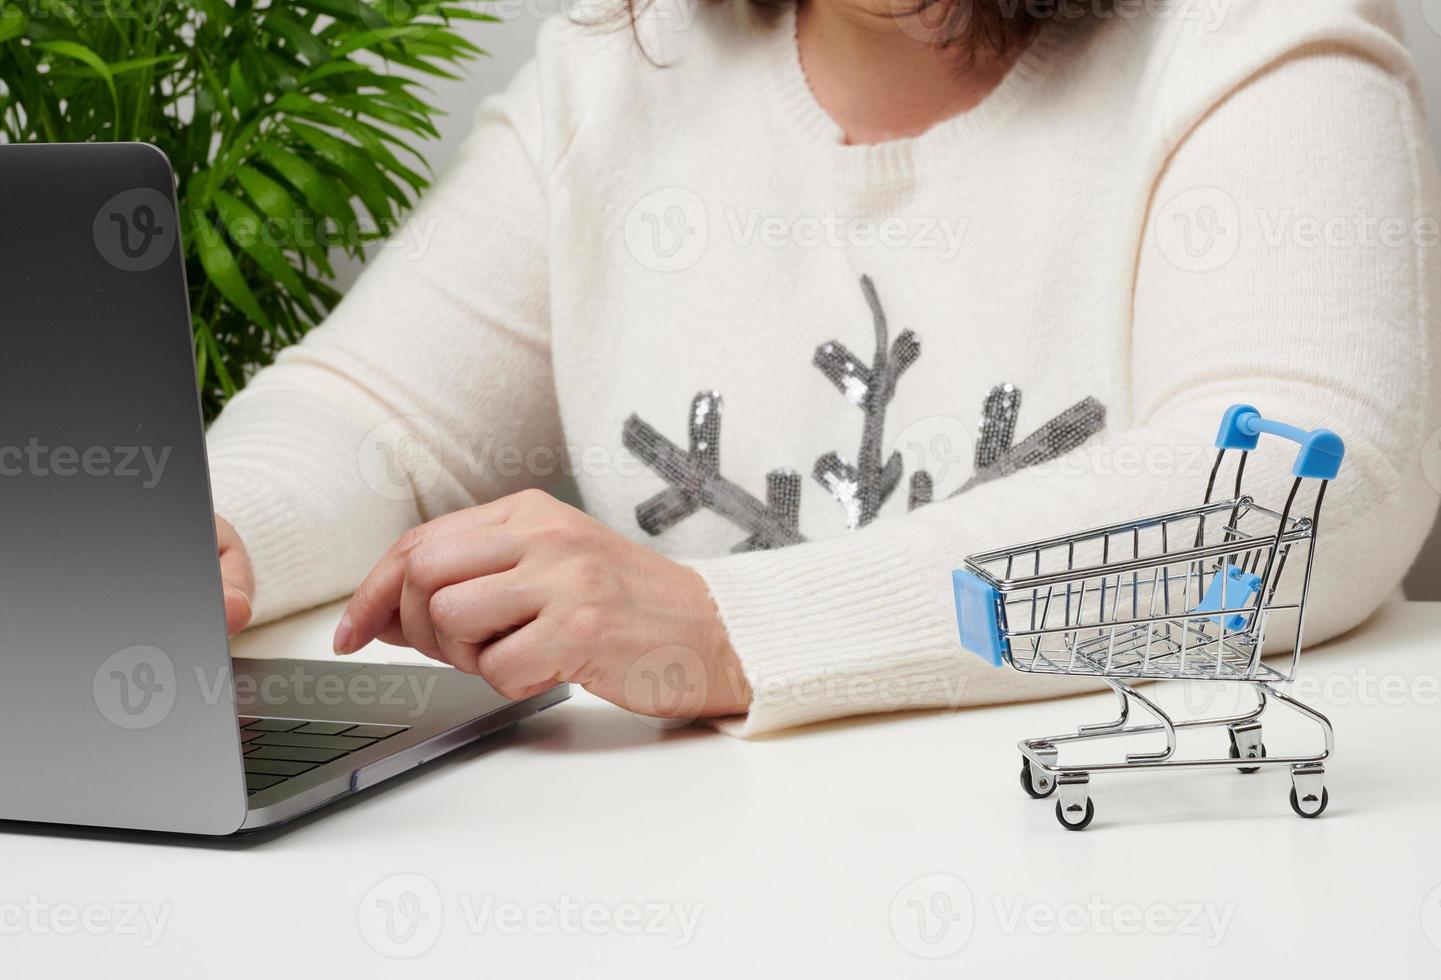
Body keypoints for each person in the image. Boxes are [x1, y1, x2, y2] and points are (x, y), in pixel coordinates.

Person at [206, 0, 1441, 736]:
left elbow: (1304, 479)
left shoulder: (1253, 31)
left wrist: (731, 628)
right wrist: (211, 531)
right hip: (707, 886)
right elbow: (371, 409)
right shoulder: (621, 68)